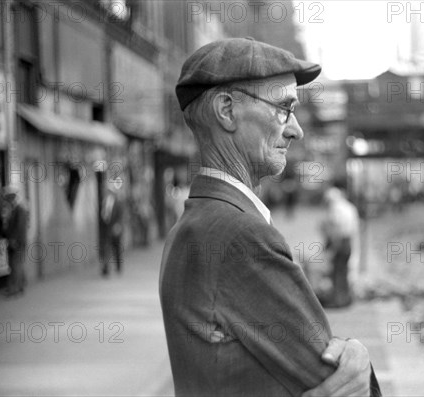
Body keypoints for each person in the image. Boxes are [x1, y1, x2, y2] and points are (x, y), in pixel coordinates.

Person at [160, 38, 380, 397]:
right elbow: (340, 383)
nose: (296, 129)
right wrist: (358, 358)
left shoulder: (194, 224)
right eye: (283, 107)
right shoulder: (241, 236)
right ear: (227, 111)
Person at [320, 186, 360, 308]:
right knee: (344, 270)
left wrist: (331, 246)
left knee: (337, 271)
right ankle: (346, 298)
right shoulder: (349, 207)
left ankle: (338, 300)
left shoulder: (335, 209)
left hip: (340, 242)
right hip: (349, 241)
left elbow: (334, 228)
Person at [1, 186, 28, 297]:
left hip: (17, 241)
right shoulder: (15, 209)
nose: (7, 200)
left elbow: (20, 227)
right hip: (16, 241)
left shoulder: (19, 209)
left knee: (15, 265)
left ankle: (15, 289)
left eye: (8, 198)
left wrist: (13, 240)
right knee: (18, 264)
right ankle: (20, 286)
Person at [100, 185, 124, 276]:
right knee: (106, 248)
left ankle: (118, 267)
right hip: (106, 229)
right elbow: (103, 215)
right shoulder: (104, 202)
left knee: (116, 248)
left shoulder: (118, 202)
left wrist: (118, 226)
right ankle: (105, 268)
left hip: (115, 229)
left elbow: (121, 216)